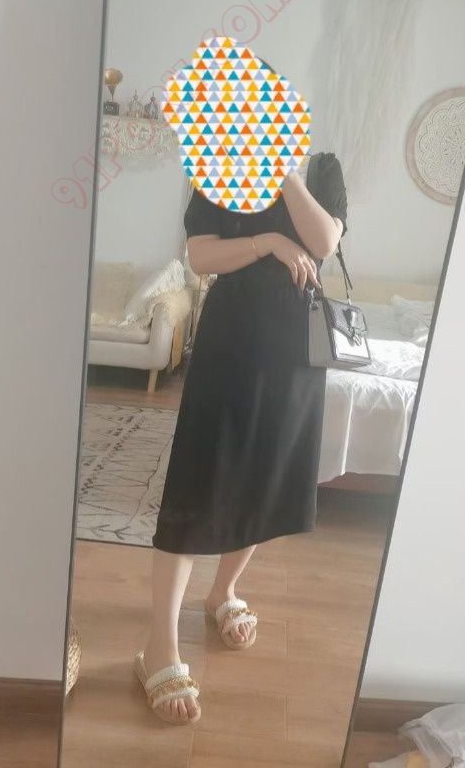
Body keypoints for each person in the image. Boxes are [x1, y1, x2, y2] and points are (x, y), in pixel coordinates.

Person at [134, 152, 347, 724]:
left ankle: (222, 592)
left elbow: (324, 241)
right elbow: (201, 256)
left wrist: (284, 173)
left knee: (263, 481)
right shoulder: (222, 167)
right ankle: (159, 644)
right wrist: (268, 243)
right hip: (230, 345)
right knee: (196, 481)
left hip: (296, 356)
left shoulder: (322, 169)